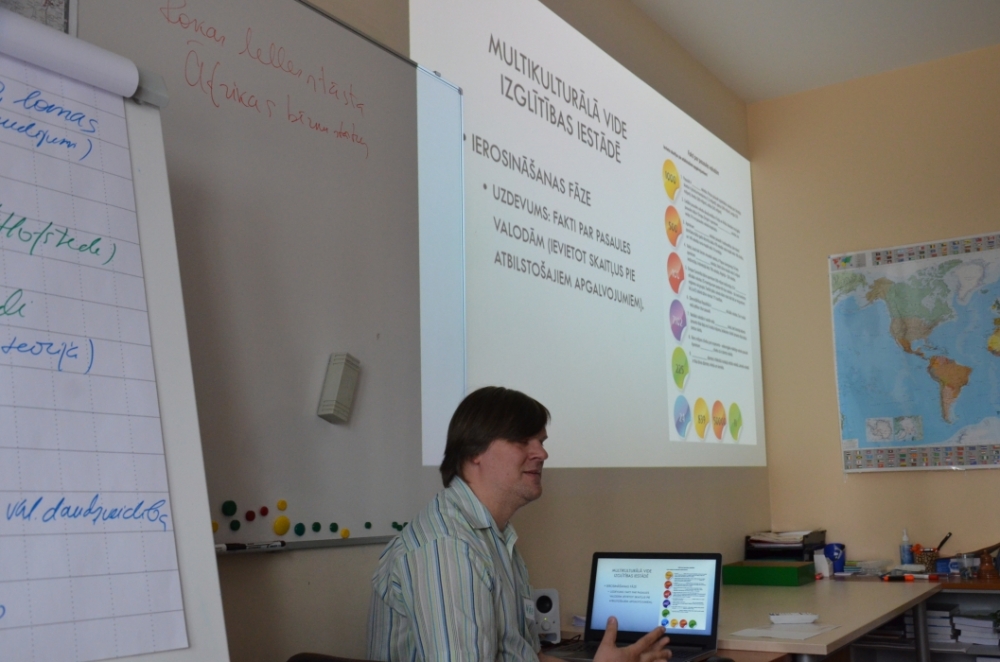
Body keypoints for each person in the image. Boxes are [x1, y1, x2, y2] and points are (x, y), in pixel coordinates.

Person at [367, 386, 671, 661]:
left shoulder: (496, 538)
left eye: (540, 441)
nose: (542, 453)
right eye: (522, 441)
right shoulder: (448, 549)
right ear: (474, 451)